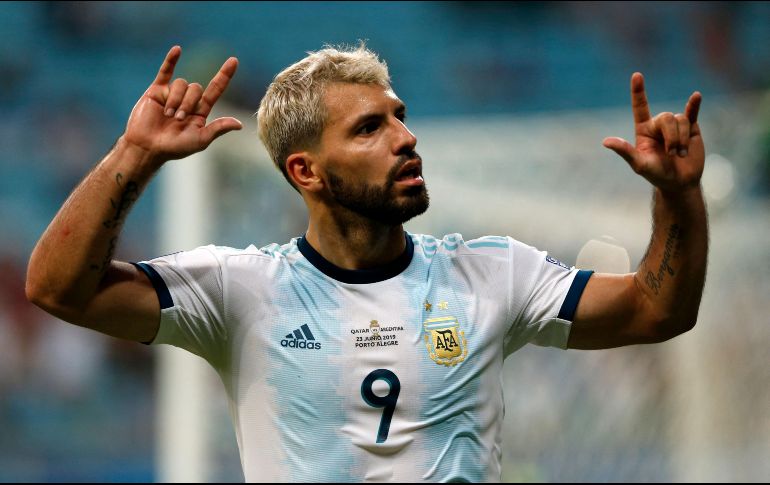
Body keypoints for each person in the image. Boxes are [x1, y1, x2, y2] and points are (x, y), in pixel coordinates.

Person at [26, 44, 708, 482]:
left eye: (400, 117)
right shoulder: (241, 290)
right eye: (370, 128)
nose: (407, 138)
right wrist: (134, 156)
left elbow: (656, 309)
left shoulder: (492, 272)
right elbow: (57, 289)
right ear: (306, 170)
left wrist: (678, 197)